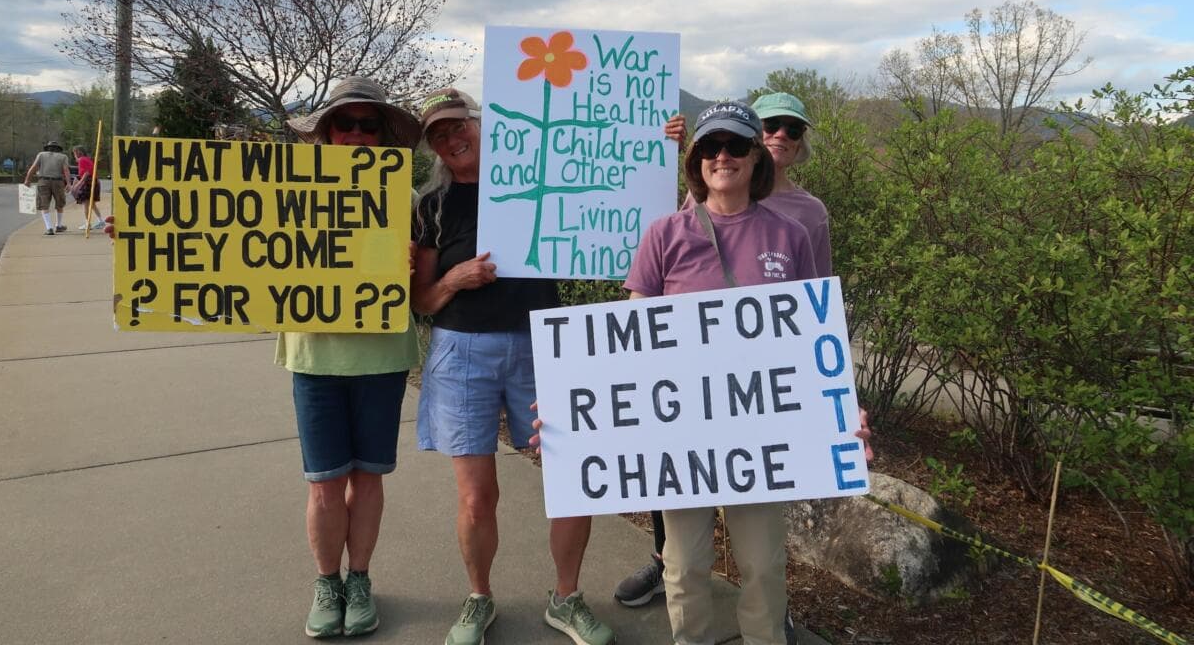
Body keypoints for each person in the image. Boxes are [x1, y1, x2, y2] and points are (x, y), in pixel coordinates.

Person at [615, 94, 871, 611]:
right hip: (682, 426)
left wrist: (841, 408)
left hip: (760, 428)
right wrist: (582, 408)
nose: (723, 155)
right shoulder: (665, 233)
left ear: (756, 157)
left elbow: (815, 329)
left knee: (763, 566)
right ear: (697, 160)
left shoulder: (792, 233)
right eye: (711, 145)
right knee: (684, 566)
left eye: (736, 145)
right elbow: (630, 338)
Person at [411, 88, 615, 645]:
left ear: (484, 125)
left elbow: (615, 189)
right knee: (477, 497)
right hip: (461, 354)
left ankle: (567, 599)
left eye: (460, 126)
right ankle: (479, 597)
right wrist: (455, 279)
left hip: (542, 345)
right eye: (439, 134)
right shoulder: (432, 205)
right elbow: (422, 300)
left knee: (572, 481)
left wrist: (662, 146)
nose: (452, 138)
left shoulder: (542, 181)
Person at [280, 76, 423, 638]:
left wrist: (415, 266)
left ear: (383, 135)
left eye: (370, 125)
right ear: (325, 132)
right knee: (321, 482)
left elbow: (427, 289)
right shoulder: (289, 191)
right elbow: (234, 246)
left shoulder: (406, 201)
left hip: (383, 357)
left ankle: (358, 578)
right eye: (347, 123)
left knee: (367, 479)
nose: (358, 134)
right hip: (314, 355)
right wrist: (148, 232)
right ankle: (326, 581)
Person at [24, 140, 73, 235]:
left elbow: (33, 167)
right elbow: (66, 170)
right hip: (58, 182)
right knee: (60, 203)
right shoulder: (63, 157)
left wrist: (27, 180)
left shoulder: (41, 155)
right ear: (58, 149)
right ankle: (58, 225)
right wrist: (68, 183)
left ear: (47, 148)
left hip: (43, 181)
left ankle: (49, 227)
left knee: (44, 203)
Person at [70, 145, 105, 230]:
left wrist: (78, 185)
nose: (74, 154)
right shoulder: (86, 159)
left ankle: (87, 223)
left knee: (86, 203)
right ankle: (101, 221)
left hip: (89, 183)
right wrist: (74, 184)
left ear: (78, 153)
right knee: (92, 204)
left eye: (74, 152)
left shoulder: (82, 160)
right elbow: (81, 174)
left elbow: (86, 173)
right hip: (93, 182)